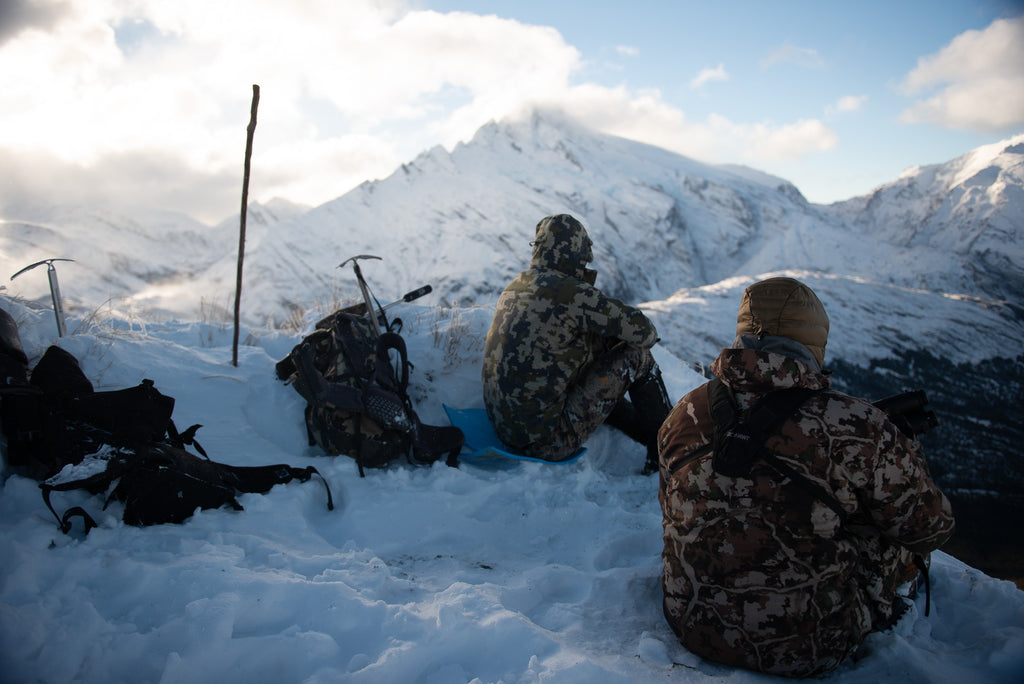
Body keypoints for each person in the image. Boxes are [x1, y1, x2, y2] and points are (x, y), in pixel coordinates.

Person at [657, 276, 955, 678]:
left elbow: (668, 504)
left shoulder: (684, 411)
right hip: (811, 646)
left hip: (691, 625)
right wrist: (903, 452)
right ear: (814, 339)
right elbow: (929, 530)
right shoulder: (857, 425)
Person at [482, 214, 672, 467]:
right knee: (637, 358)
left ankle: (642, 429)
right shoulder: (571, 292)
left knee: (594, 358)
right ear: (577, 254)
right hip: (546, 442)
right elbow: (644, 332)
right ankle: (669, 448)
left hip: (504, 428)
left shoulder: (516, 285)